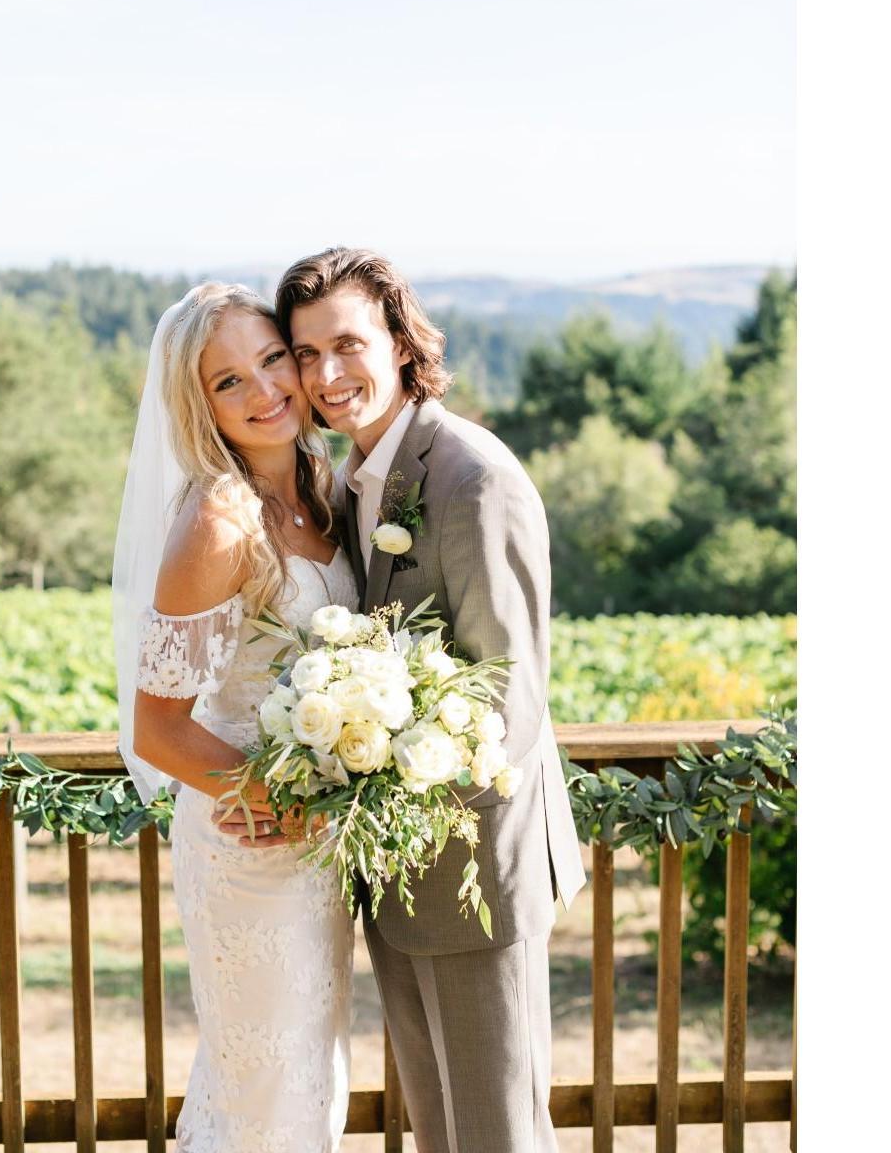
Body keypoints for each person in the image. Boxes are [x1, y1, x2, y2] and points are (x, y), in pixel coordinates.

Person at [274, 247, 586, 1153]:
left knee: (499, 1134)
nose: (327, 375)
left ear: (401, 342)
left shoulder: (470, 478)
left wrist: (404, 797)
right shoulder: (361, 482)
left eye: (348, 344)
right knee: (443, 1131)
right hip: (400, 879)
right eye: (304, 353)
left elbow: (510, 702)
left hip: (475, 867)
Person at [112, 282, 359, 1153]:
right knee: (265, 1090)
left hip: (322, 841)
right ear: (199, 406)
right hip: (252, 837)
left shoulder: (326, 490)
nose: (264, 392)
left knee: (311, 1076)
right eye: (228, 382)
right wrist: (276, 800)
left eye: (272, 359)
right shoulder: (220, 523)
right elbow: (158, 728)